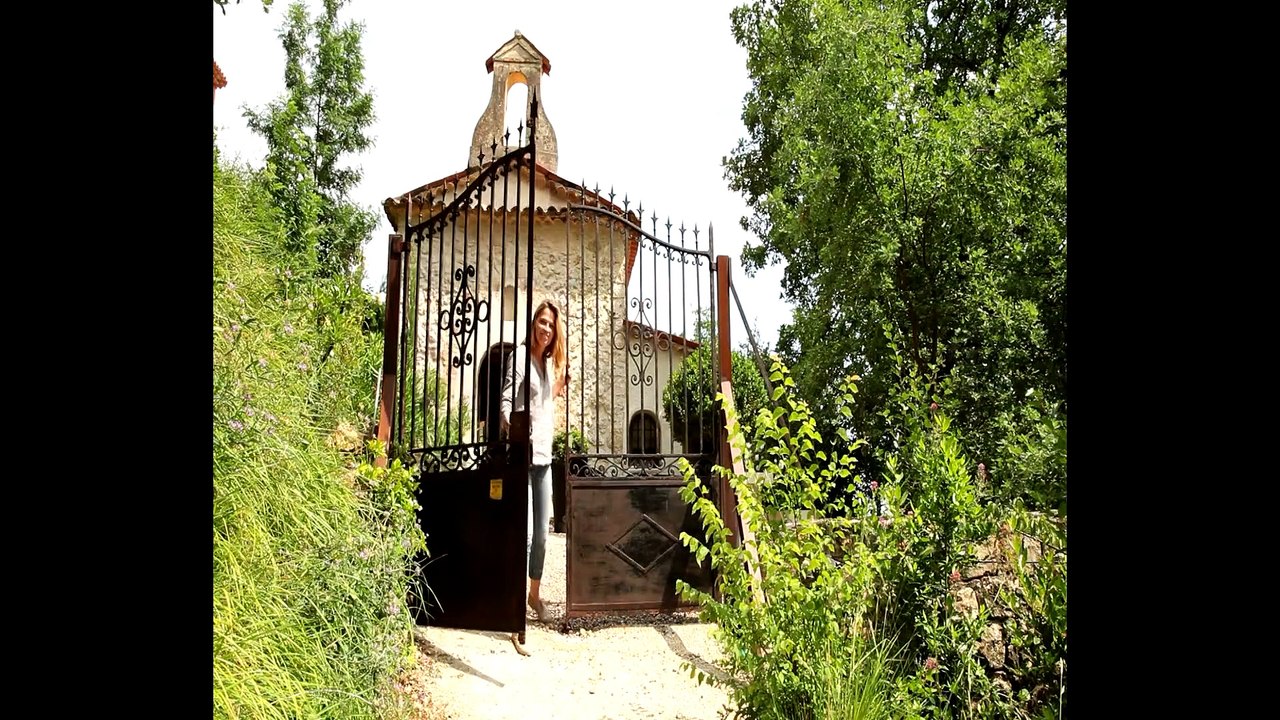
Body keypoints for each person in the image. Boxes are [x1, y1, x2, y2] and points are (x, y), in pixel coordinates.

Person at [500, 299, 569, 629]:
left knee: (543, 534)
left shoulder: (544, 363)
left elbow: (542, 401)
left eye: (551, 325)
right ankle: (513, 600)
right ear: (533, 324)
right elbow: (506, 400)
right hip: (523, 457)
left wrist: (559, 385)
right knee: (525, 533)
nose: (546, 328)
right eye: (542, 322)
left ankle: (534, 594)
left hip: (544, 458)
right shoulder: (520, 358)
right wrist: (512, 427)